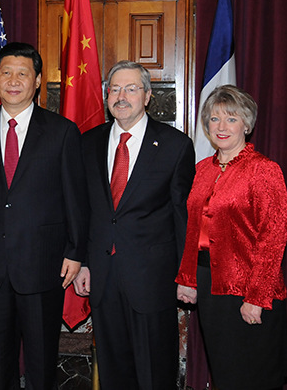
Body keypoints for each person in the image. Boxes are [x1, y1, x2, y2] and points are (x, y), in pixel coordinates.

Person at [0, 42, 88, 390]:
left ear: (36, 81)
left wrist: (76, 252)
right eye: (6, 73)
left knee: (41, 361)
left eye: (23, 74)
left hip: (44, 264)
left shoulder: (62, 132)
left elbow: (76, 199)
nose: (13, 81)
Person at [73, 60, 196, 390]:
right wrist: (84, 263)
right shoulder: (88, 143)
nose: (121, 96)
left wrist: (187, 275)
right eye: (115, 88)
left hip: (153, 280)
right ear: (106, 95)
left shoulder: (175, 145)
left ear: (147, 96)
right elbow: (84, 211)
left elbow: (182, 216)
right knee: (113, 372)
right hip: (103, 276)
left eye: (131, 88)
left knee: (155, 372)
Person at [176, 85, 287, 390]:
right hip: (210, 287)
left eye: (230, 119)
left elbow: (274, 237)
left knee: (254, 375)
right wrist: (188, 277)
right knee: (225, 373)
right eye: (214, 119)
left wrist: (256, 298)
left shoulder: (264, 170)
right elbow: (193, 227)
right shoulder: (202, 170)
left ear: (247, 124)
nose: (221, 127)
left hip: (249, 290)